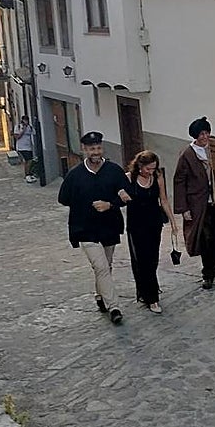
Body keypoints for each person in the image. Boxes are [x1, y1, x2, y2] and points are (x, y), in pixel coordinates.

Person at [58, 131, 133, 324]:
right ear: (85, 150)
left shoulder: (114, 171)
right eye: (92, 149)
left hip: (109, 226)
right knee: (100, 266)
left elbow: (127, 195)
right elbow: (63, 198)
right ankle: (114, 307)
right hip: (85, 229)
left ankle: (100, 296)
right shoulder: (75, 175)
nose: (96, 152)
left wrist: (110, 204)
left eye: (98, 148)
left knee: (106, 266)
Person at [173, 117, 215, 289]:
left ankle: (214, 265)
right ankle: (207, 273)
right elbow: (179, 181)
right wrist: (183, 208)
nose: (204, 136)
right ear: (195, 136)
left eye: (206, 132)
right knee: (205, 239)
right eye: (201, 134)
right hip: (198, 204)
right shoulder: (187, 154)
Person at [124, 150, 179, 314]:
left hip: (154, 223)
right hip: (136, 225)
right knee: (141, 260)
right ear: (140, 166)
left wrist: (173, 221)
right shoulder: (129, 178)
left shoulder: (157, 177)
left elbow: (163, 199)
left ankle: (147, 290)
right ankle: (151, 297)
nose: (150, 172)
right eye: (148, 169)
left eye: (153, 168)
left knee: (153, 259)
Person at [13, 115, 36, 183]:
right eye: (24, 120)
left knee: (29, 161)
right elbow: (17, 137)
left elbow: (34, 133)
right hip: (21, 147)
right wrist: (23, 130)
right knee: (28, 160)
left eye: (27, 120)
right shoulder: (18, 127)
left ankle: (28, 173)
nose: (26, 121)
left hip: (29, 147)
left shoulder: (30, 127)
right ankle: (27, 174)